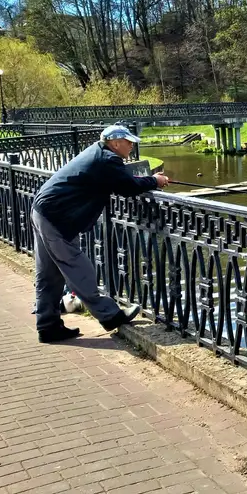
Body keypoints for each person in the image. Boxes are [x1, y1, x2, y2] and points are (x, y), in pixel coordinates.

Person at [32, 124, 170, 343]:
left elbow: (119, 180)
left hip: (43, 210)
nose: (132, 145)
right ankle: (110, 316)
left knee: (49, 274)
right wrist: (155, 181)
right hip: (58, 217)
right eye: (128, 142)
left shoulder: (98, 152)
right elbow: (127, 186)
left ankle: (48, 326)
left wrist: (148, 179)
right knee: (78, 267)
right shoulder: (108, 159)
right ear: (115, 143)